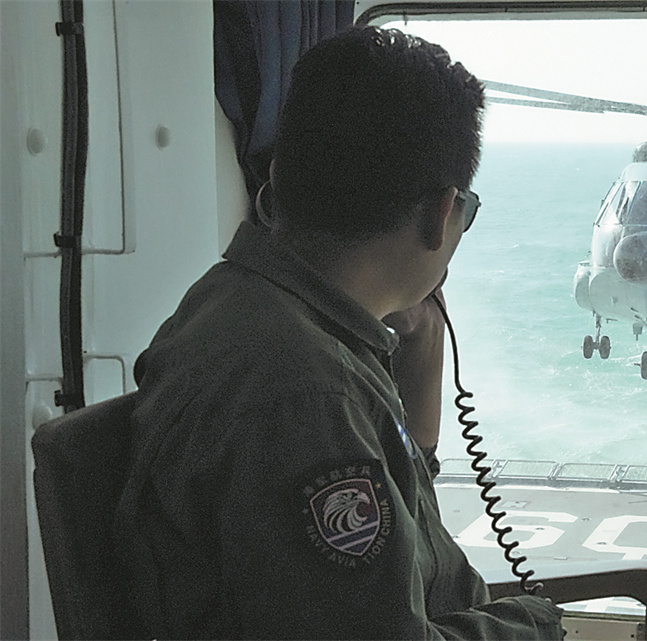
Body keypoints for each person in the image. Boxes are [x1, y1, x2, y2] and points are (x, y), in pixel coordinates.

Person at [114, 27, 564, 639]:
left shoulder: (243, 304)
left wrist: (423, 344)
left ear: (282, 177)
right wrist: (534, 624)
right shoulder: (306, 394)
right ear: (440, 215)